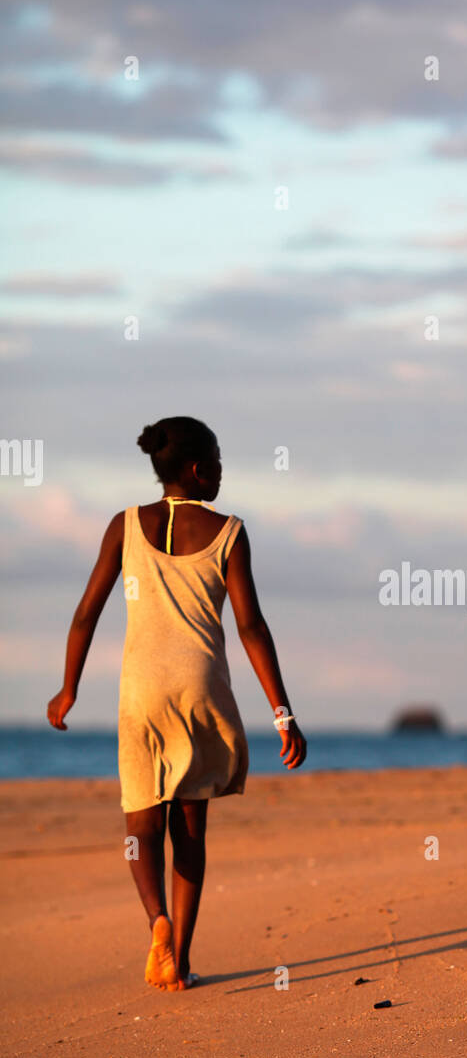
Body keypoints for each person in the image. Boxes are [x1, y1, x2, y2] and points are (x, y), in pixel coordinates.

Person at [47, 417, 306, 991]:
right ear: (196, 469)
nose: (221, 469)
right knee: (191, 825)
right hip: (200, 690)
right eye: (217, 459)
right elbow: (252, 627)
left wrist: (69, 688)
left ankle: (156, 921)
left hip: (140, 691)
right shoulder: (228, 532)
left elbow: (86, 612)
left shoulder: (124, 526)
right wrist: (282, 713)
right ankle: (181, 962)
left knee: (140, 820)